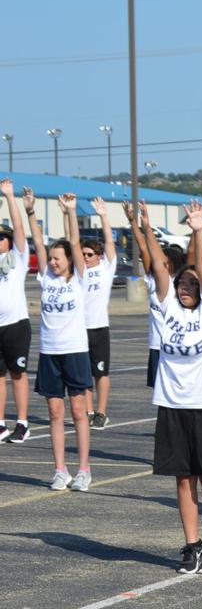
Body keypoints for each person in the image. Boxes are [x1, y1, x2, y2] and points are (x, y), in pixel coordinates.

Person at [151, 201, 202, 574]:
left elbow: (200, 269)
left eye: (191, 283)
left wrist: (198, 230)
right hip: (172, 404)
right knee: (183, 479)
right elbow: (159, 266)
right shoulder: (168, 309)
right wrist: (145, 229)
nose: (184, 287)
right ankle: (191, 545)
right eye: (181, 282)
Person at [26, 190, 93, 490]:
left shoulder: (78, 278)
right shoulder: (46, 278)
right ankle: (60, 470)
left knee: (78, 411)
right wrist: (30, 212)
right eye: (50, 259)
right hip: (49, 352)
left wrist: (70, 212)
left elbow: (76, 242)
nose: (52, 262)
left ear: (68, 260)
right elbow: (37, 242)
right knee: (55, 412)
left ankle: (83, 470)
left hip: (75, 351)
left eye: (57, 258)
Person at [120, 200, 184, 390]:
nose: (158, 261)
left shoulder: (181, 283)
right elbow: (143, 247)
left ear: (171, 263)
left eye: (163, 259)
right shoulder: (152, 279)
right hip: (157, 346)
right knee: (160, 393)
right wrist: (133, 221)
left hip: (175, 346)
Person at [80, 197, 117, 430]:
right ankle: (88, 411)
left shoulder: (105, 269)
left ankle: (101, 413)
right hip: (79, 329)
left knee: (100, 373)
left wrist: (103, 215)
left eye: (89, 255)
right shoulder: (78, 271)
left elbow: (110, 245)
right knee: (83, 375)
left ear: (99, 257)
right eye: (83, 254)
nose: (85, 258)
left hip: (99, 328)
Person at [0, 179, 32, 444]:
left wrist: (10, 196)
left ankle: (22, 422)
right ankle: (0, 423)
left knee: (17, 374)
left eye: (2, 237)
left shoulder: (18, 259)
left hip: (16, 325)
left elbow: (20, 227)